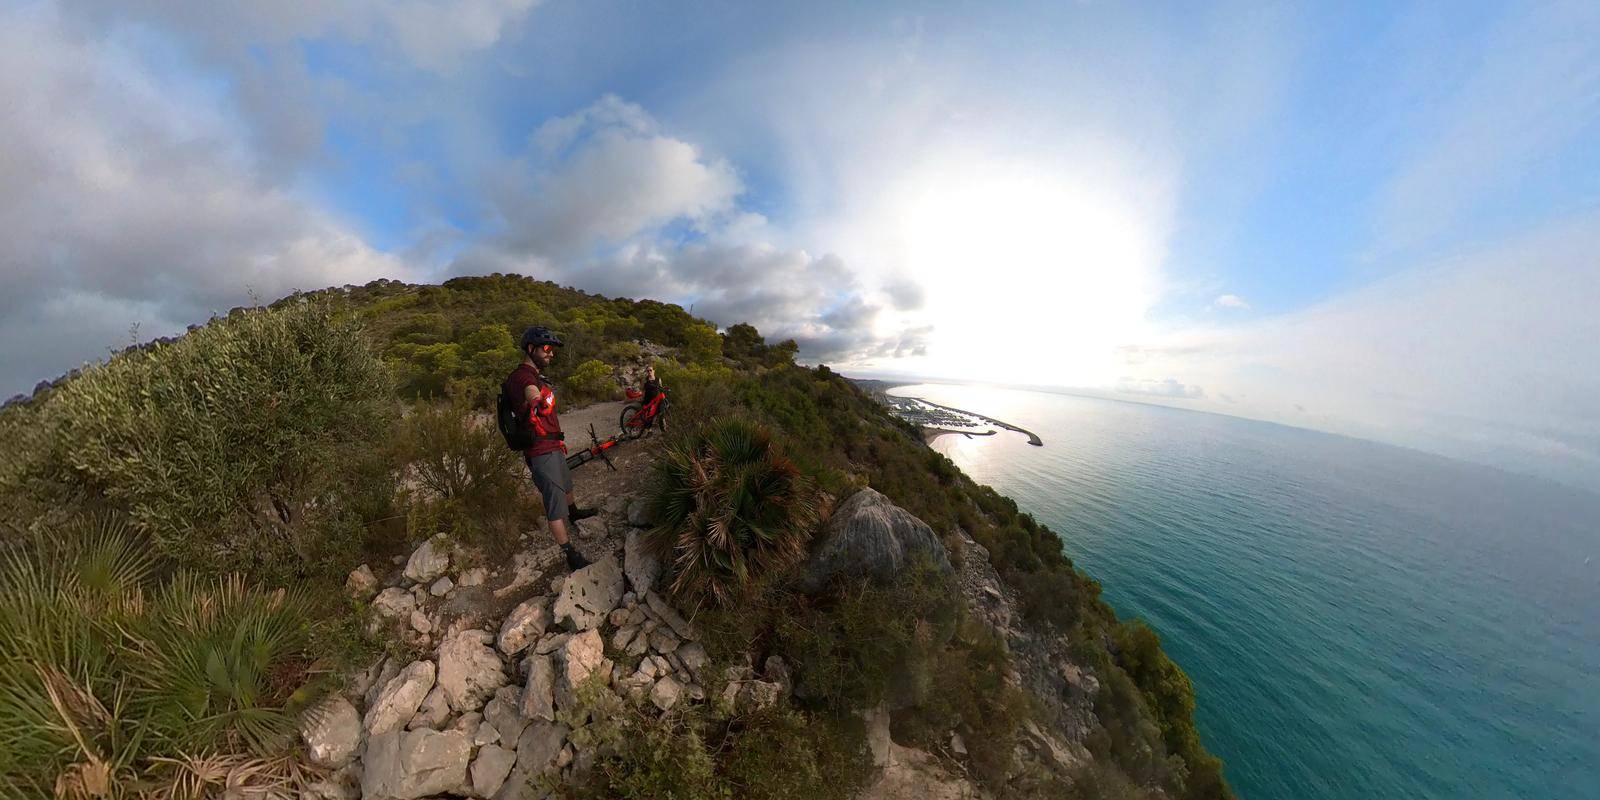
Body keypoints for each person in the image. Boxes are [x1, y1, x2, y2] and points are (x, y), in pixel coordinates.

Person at [503, 325, 597, 571]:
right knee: (554, 501)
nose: (551, 354)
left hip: (552, 444)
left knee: (566, 484)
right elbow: (531, 393)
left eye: (552, 350)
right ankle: (570, 554)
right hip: (540, 450)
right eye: (546, 348)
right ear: (530, 348)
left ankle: (574, 513)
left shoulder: (534, 374)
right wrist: (537, 401)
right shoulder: (522, 376)